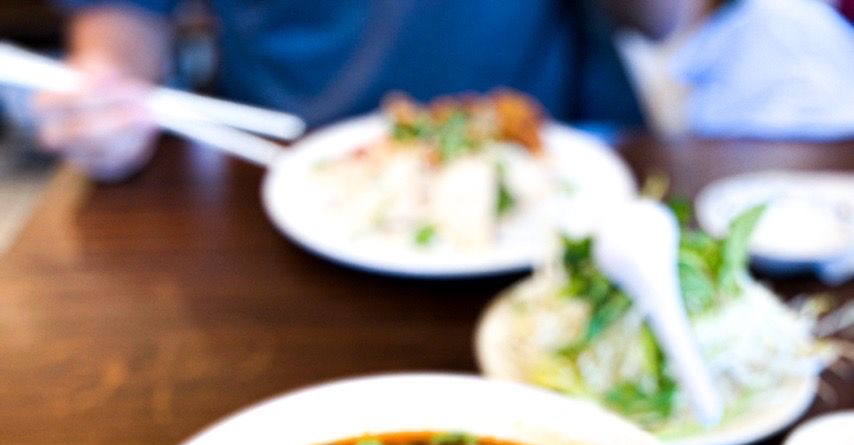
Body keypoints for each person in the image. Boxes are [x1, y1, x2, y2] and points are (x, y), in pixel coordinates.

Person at [38, 1, 704, 181]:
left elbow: (659, 19)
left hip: (558, 171)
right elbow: (123, 10)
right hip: (277, 171)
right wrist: (107, 84)